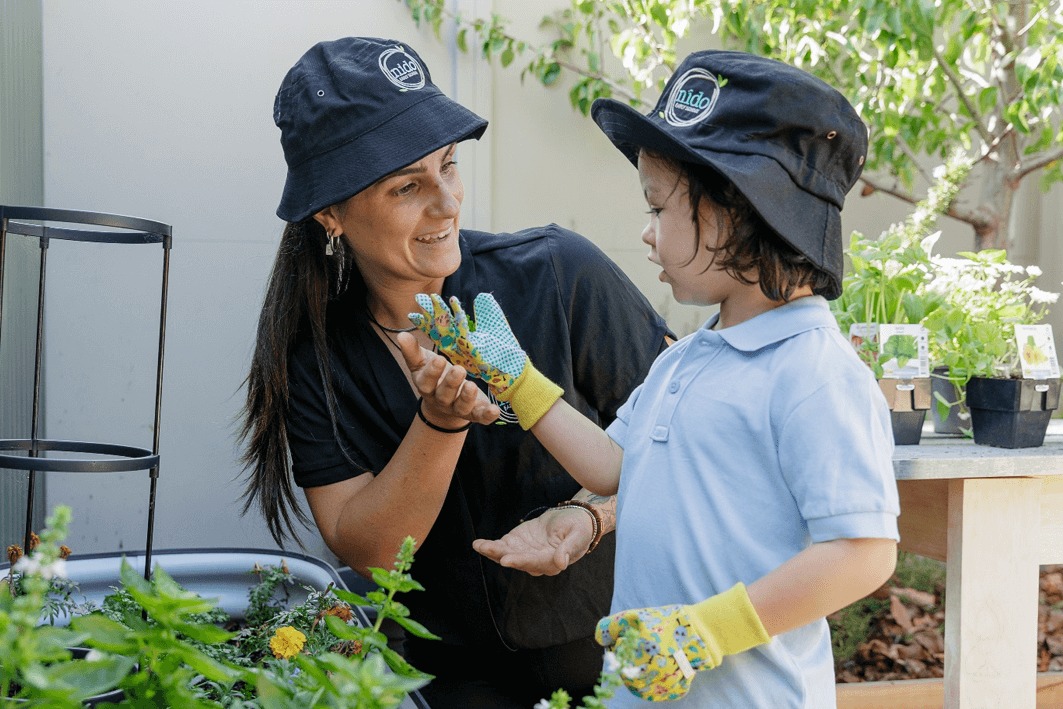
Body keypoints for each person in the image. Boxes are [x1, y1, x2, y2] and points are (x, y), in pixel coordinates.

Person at [406, 50, 900, 707]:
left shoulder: (814, 372)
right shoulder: (685, 359)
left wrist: (707, 632)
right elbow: (613, 467)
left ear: (739, 210)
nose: (645, 233)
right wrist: (516, 377)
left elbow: (864, 552)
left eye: (659, 208)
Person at [238, 36, 672, 708]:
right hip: (447, 680)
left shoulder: (558, 273)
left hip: (621, 656)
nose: (445, 203)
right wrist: (439, 422)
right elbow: (369, 549)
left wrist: (590, 517)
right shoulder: (317, 357)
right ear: (331, 214)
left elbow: (688, 441)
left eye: (447, 165)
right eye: (407, 186)